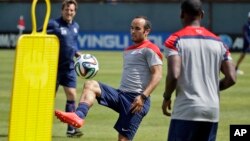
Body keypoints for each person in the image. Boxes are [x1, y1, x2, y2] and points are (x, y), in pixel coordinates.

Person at [55, 16, 163, 141]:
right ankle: (78, 115)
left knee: (122, 139)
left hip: (137, 101)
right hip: (121, 95)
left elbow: (157, 75)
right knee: (91, 85)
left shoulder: (151, 49)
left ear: (147, 31)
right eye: (132, 28)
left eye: (137, 29)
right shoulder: (128, 50)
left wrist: (143, 97)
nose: (133, 31)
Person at [161, 0, 236, 141]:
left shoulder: (175, 40)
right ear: (202, 14)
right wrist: (212, 88)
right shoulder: (219, 42)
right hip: (211, 111)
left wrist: (166, 97)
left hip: (186, 110)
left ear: (182, 14)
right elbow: (231, 78)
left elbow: (174, 75)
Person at [46, 0, 83, 137]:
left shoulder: (76, 26)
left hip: (69, 67)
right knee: (48, 99)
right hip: (53, 68)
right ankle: (41, 125)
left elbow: (72, 45)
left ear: (75, 12)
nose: (69, 12)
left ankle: (71, 129)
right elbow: (39, 35)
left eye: (72, 10)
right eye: (67, 10)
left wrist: (78, 54)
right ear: (62, 10)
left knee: (72, 95)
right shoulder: (53, 24)